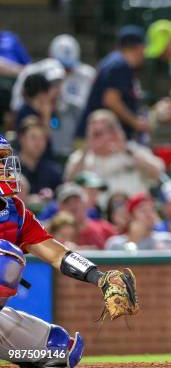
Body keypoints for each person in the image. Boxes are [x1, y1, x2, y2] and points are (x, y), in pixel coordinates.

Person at [0, 135, 136, 366]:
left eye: (4, 161)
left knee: (58, 350)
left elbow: (56, 253)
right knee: (5, 260)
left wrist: (100, 278)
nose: (5, 168)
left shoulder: (15, 210)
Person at [11, 34, 96, 157]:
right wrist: (45, 113)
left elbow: (57, 126)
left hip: (55, 155)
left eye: (58, 84)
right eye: (52, 85)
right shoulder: (26, 109)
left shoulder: (64, 104)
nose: (56, 89)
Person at [65, 109, 165, 199]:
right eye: (92, 134)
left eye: (98, 134)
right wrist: (86, 149)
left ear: (114, 133)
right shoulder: (80, 157)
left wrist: (126, 149)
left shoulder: (133, 150)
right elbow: (69, 184)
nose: (95, 138)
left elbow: (157, 173)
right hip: (97, 215)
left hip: (134, 212)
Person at [77, 25, 149, 140]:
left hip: (97, 137)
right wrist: (136, 122)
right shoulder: (120, 65)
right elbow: (111, 100)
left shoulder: (115, 61)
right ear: (139, 47)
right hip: (96, 141)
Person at [105, 192, 171, 250]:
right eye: (143, 211)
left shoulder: (169, 240)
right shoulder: (115, 244)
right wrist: (132, 240)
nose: (149, 214)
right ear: (131, 216)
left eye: (152, 210)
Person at [56, 182, 118, 249]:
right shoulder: (52, 232)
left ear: (85, 203)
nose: (73, 206)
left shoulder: (104, 228)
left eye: (76, 200)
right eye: (67, 202)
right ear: (60, 208)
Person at [17, 116, 62, 194]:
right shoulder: (7, 169)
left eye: (42, 138)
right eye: (33, 138)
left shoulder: (53, 172)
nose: (38, 143)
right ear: (21, 139)